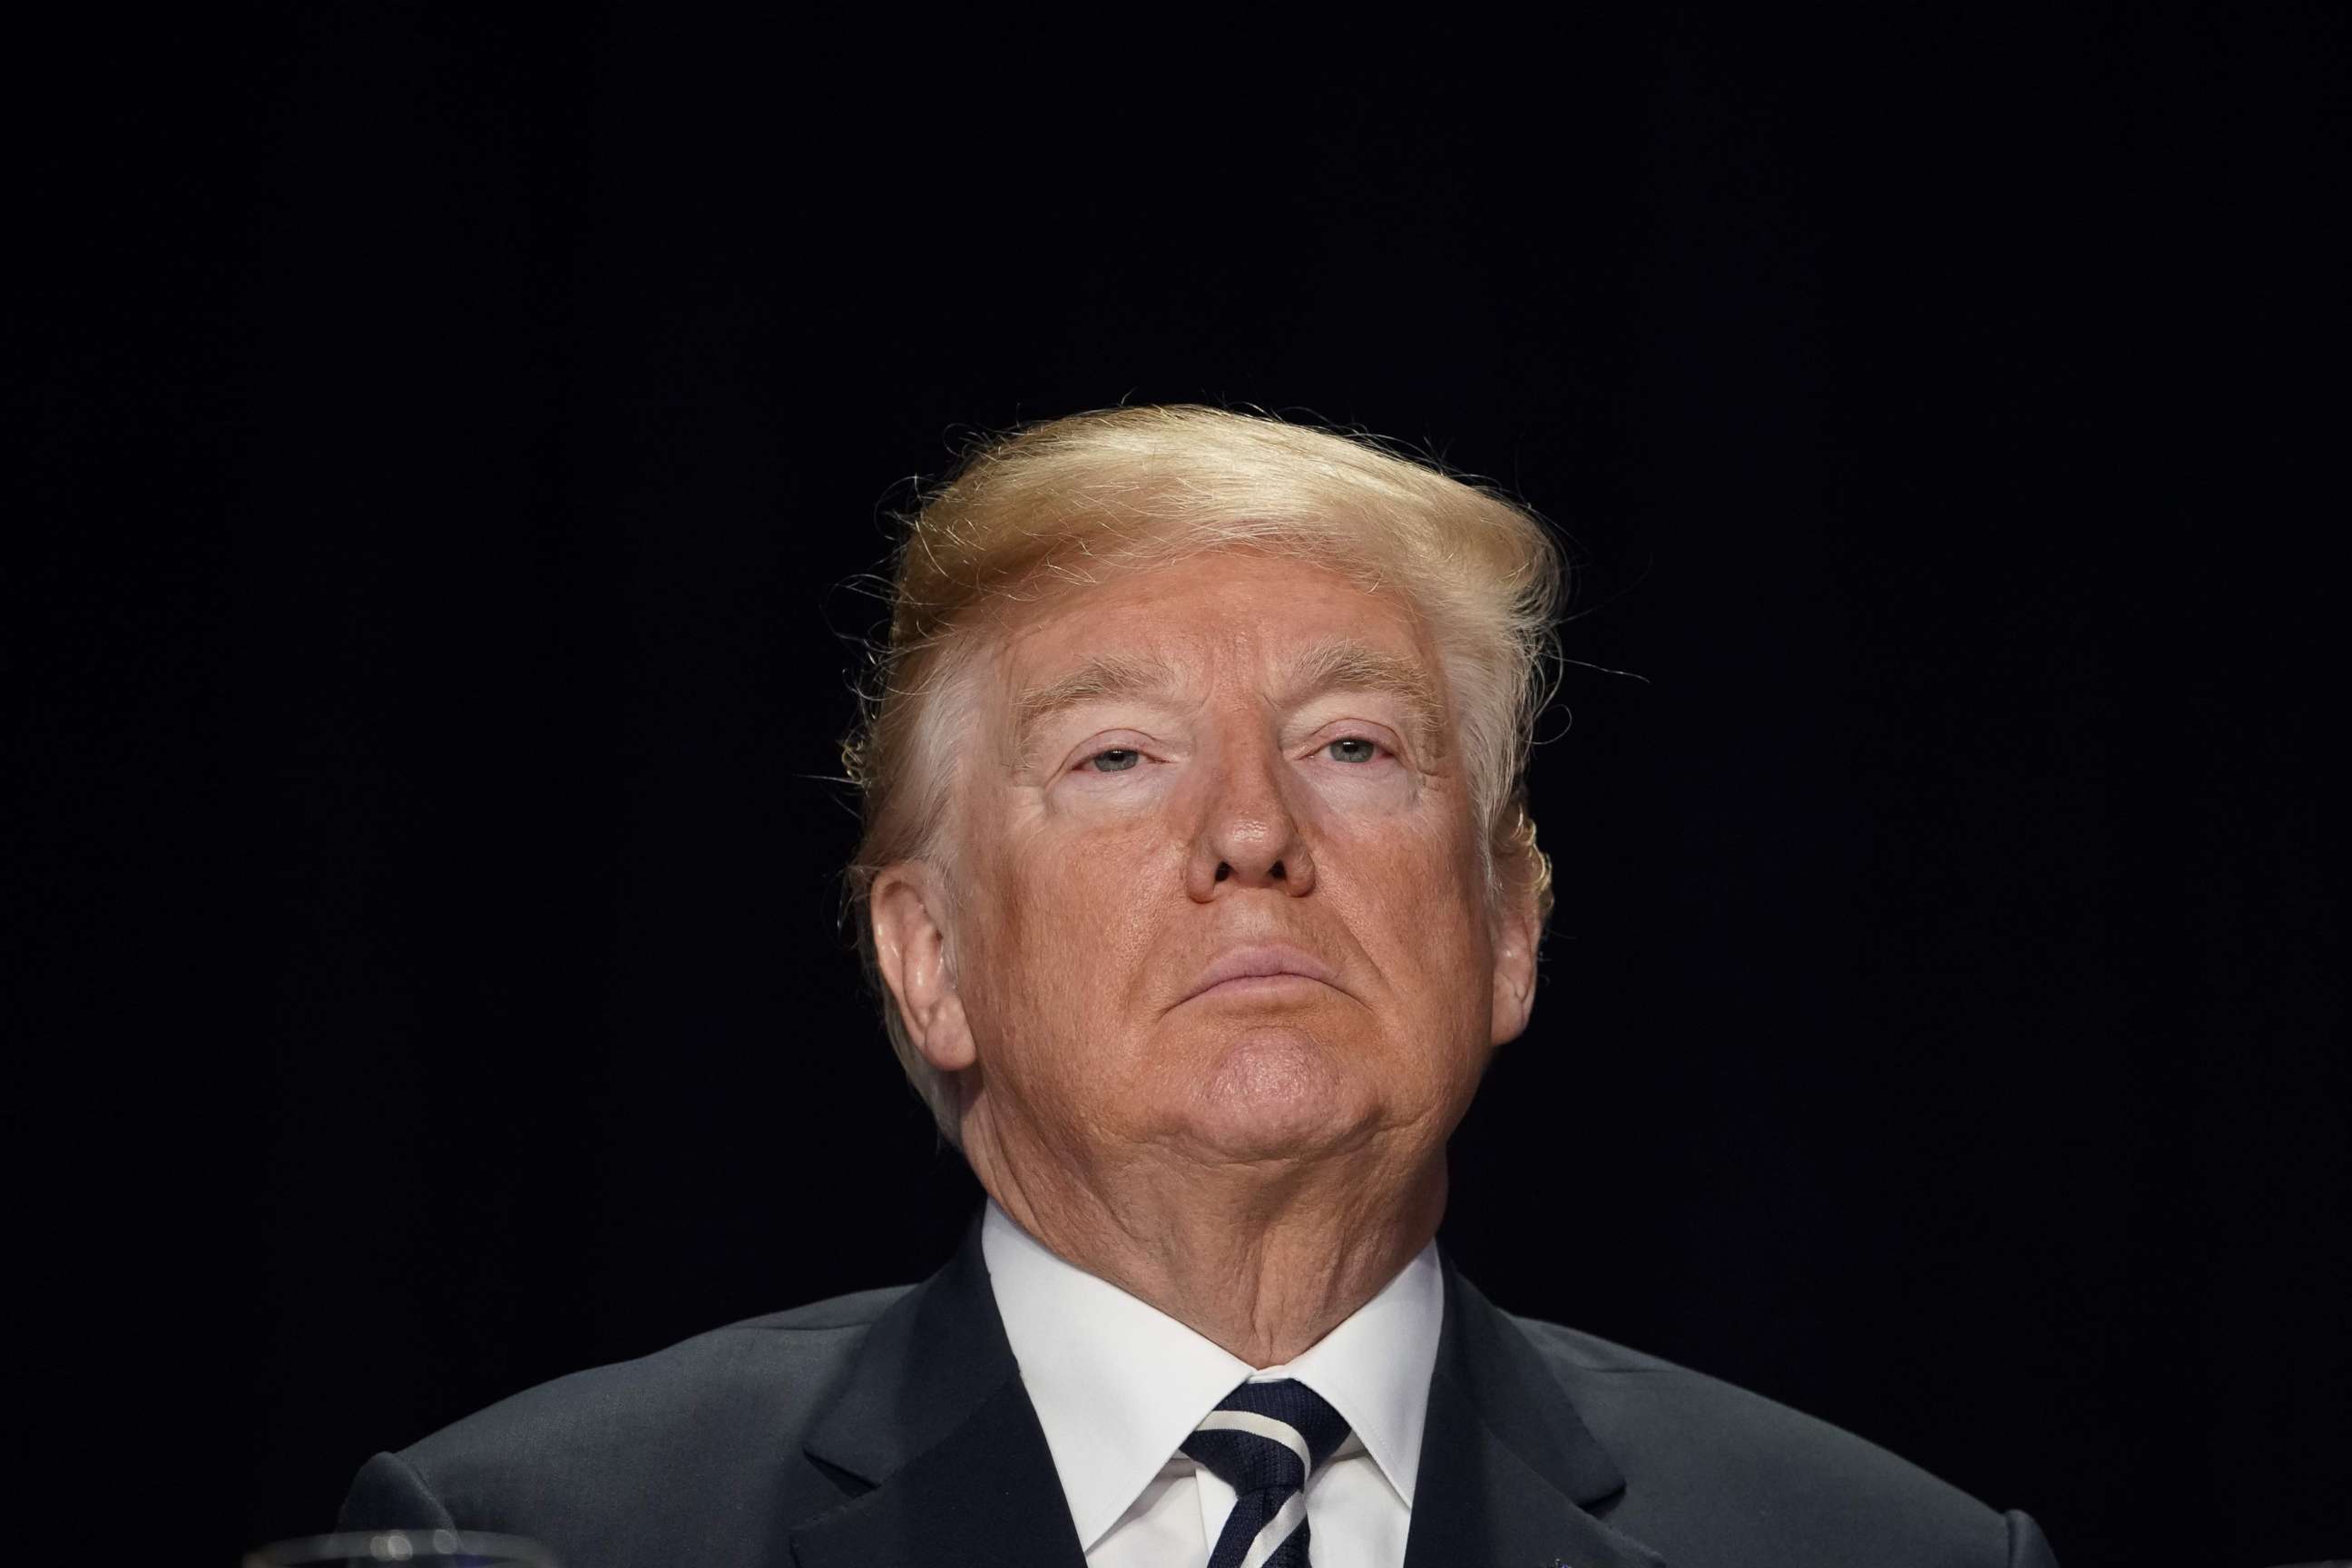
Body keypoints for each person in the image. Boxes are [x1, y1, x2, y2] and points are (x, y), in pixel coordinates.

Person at [341, 406, 2061, 1567]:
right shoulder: (545, 1536)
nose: (1252, 830)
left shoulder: (1880, 1548)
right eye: (1116, 756)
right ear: (931, 964)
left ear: (1511, 925)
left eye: (1355, 743)